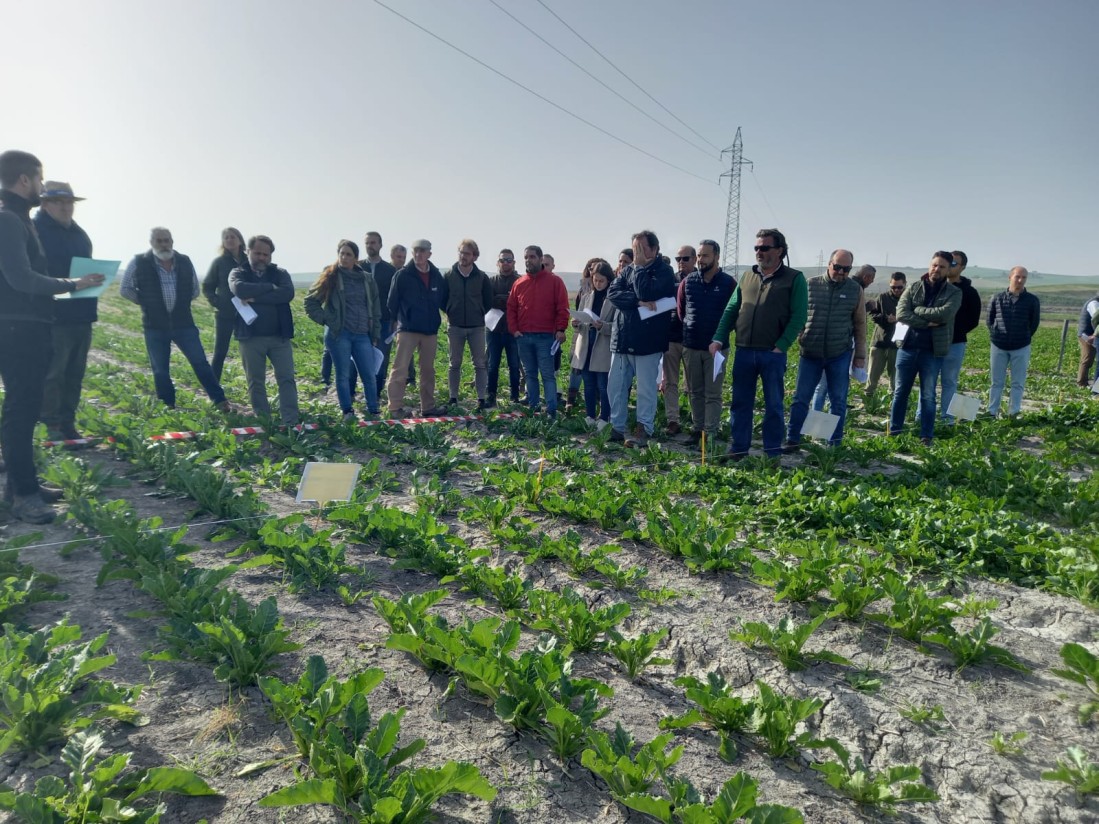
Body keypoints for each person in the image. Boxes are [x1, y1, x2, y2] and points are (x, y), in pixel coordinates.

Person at [0, 150, 103, 523]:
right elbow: (20, 278)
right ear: (25, 180)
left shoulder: (18, 219)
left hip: (27, 325)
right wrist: (73, 284)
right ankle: (24, 495)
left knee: (25, 409)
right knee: (21, 409)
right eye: (40, 180)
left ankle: (22, 485)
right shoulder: (9, 219)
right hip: (18, 327)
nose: (41, 187)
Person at [710, 228, 807, 460]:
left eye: (764, 248)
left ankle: (772, 452)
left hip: (771, 353)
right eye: (756, 248)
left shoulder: (794, 279)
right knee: (740, 402)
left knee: (773, 404)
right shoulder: (747, 276)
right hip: (744, 350)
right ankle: (739, 448)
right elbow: (732, 309)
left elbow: (799, 316)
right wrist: (718, 337)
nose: (759, 252)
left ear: (779, 250)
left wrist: (781, 346)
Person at [120, 227, 231, 412]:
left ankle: (220, 401)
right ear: (152, 243)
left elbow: (195, 290)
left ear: (172, 242)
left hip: (184, 323)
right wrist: (145, 302)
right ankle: (168, 405)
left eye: (166, 240)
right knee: (161, 370)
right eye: (159, 241)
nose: (163, 244)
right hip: (154, 326)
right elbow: (125, 289)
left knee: (200, 363)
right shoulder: (139, 262)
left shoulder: (184, 261)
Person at [785, 249, 867, 448]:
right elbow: (797, 313)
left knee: (838, 400)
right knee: (801, 398)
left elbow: (860, 324)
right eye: (837, 267)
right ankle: (793, 439)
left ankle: (834, 442)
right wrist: (800, 335)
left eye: (846, 269)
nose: (840, 272)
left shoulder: (855, 289)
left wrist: (860, 355)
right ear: (829, 264)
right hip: (810, 352)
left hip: (839, 352)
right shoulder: (811, 285)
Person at [34, 181, 96, 441]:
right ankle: (52, 425)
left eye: (69, 202)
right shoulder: (34, 230)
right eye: (58, 202)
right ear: (45, 203)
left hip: (81, 314)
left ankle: (68, 423)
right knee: (53, 374)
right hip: (52, 315)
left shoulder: (79, 233)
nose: (65, 207)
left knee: (74, 374)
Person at [607, 230, 677, 448]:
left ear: (654, 250)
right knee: (616, 386)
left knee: (646, 388)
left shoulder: (664, 272)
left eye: (641, 248)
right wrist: (637, 302)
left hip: (647, 342)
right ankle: (617, 426)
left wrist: (637, 269)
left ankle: (643, 428)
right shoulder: (626, 271)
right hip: (622, 338)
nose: (637, 252)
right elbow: (613, 293)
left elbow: (647, 292)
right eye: (634, 247)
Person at [888, 251, 961, 444]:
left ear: (948, 270)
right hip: (907, 348)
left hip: (932, 351)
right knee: (900, 392)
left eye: (942, 267)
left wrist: (917, 311)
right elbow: (902, 313)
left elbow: (944, 315)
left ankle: (926, 436)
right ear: (930, 265)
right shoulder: (913, 287)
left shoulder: (954, 292)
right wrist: (926, 322)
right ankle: (895, 431)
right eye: (934, 265)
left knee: (928, 395)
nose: (936, 269)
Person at [304, 240, 380, 422]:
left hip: (362, 334)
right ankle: (347, 411)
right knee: (343, 375)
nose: (344, 258)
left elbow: (375, 307)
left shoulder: (367, 279)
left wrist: (375, 332)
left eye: (349, 255)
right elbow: (310, 301)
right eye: (342, 254)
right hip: (340, 335)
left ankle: (374, 410)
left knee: (369, 374)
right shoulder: (331, 276)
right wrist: (328, 320)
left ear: (356, 258)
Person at [229, 235, 298, 425]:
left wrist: (257, 297)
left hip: (279, 337)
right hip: (251, 338)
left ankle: (290, 421)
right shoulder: (238, 273)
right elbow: (240, 289)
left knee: (286, 379)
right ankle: (264, 421)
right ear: (248, 251)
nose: (261, 258)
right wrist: (269, 287)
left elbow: (287, 294)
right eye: (257, 253)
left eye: (265, 254)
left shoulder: (281, 273)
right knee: (256, 381)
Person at [679, 239, 735, 447]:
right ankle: (697, 429)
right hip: (691, 346)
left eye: (705, 256)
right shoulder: (688, 281)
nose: (701, 260)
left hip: (716, 350)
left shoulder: (729, 283)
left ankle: (709, 433)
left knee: (713, 393)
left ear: (717, 257)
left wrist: (719, 338)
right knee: (694, 391)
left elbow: (734, 314)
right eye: (699, 256)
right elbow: (681, 310)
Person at [386, 239, 447, 417]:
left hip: (430, 331)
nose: (419, 254)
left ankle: (427, 408)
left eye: (422, 251)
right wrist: (397, 321)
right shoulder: (403, 275)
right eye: (416, 251)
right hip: (408, 329)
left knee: (428, 370)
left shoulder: (436, 276)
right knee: (400, 368)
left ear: (429, 254)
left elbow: (442, 300)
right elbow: (392, 302)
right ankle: (394, 408)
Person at [507, 245, 569, 417]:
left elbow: (563, 307)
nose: (529, 260)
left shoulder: (555, 282)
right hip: (524, 337)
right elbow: (511, 308)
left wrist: (561, 329)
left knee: (548, 375)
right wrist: (514, 330)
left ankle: (551, 411)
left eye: (532, 257)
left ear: (541, 259)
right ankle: (534, 408)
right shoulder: (519, 283)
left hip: (545, 337)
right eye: (526, 257)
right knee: (530, 374)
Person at [443, 238, 492, 409]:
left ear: (475, 257)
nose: (463, 256)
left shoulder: (482, 277)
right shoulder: (448, 276)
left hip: (476, 327)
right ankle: (453, 398)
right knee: (454, 363)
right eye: (461, 252)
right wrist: (451, 311)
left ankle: (481, 399)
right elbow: (442, 299)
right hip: (455, 326)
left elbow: (488, 301)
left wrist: (477, 313)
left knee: (479, 363)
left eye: (467, 253)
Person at [986, 266, 1040, 417]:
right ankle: (992, 411)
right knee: (996, 382)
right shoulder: (997, 298)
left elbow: (1034, 323)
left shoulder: (1032, 300)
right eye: (1017, 276)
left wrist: (1024, 336)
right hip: (998, 345)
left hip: (1021, 345)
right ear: (1010, 277)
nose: (1020, 280)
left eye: (1024, 277)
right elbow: (989, 320)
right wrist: (996, 334)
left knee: (1018, 382)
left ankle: (1013, 412)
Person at [936, 250, 981, 422]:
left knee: (949, 382)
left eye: (954, 263)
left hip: (955, 343)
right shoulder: (935, 286)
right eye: (949, 262)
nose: (950, 266)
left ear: (962, 268)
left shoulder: (969, 292)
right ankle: (922, 417)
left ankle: (947, 419)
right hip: (932, 342)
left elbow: (973, 320)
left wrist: (957, 331)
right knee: (928, 381)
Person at [571, 259, 616, 428]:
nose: (597, 284)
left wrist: (603, 326)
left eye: (601, 281)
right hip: (586, 345)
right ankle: (589, 416)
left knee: (603, 386)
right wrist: (576, 323)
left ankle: (604, 418)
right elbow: (582, 318)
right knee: (588, 384)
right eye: (595, 280)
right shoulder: (586, 296)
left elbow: (617, 326)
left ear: (609, 280)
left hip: (603, 347)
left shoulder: (613, 299)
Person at [202, 227, 246, 383]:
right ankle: (215, 390)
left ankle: (253, 389)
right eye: (226, 237)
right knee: (220, 352)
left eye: (232, 237)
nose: (229, 240)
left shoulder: (249, 261)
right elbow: (207, 286)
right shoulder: (219, 262)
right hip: (225, 314)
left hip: (247, 313)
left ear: (240, 240)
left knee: (249, 352)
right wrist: (218, 302)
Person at [661, 245, 694, 435]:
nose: (681, 263)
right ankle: (672, 420)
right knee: (670, 382)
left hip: (692, 339)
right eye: (678, 259)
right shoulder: (671, 282)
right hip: (671, 337)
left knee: (693, 384)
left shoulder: (699, 281)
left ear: (694, 259)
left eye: (685, 259)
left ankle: (695, 419)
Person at [363, 231, 396, 397]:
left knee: (380, 358)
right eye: (368, 243)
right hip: (360, 322)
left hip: (384, 321)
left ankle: (376, 393)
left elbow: (395, 297)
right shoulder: (357, 267)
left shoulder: (390, 270)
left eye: (373, 242)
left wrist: (394, 319)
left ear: (380, 245)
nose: (370, 246)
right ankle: (356, 392)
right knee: (357, 359)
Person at [487, 248, 521, 406]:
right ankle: (491, 396)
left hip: (513, 331)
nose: (505, 263)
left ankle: (514, 396)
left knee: (514, 365)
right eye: (503, 260)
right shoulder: (491, 281)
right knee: (492, 365)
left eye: (509, 260)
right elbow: (487, 302)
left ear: (514, 263)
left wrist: (502, 300)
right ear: (497, 263)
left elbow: (520, 304)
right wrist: (506, 300)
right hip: (493, 330)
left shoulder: (520, 281)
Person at [866, 272, 906, 400]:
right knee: (872, 376)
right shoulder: (882, 298)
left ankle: (891, 402)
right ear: (890, 285)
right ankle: (868, 400)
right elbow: (873, 314)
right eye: (893, 287)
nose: (896, 290)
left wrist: (898, 319)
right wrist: (885, 318)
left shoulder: (908, 300)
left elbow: (913, 318)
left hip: (898, 344)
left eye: (899, 287)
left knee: (894, 378)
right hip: (880, 342)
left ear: (905, 284)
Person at [565, 259, 597, 412]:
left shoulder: (607, 288)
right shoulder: (583, 288)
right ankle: (571, 399)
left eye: (596, 268)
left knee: (594, 367)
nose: (592, 270)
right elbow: (578, 309)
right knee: (576, 365)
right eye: (590, 268)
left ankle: (594, 400)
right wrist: (575, 320)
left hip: (598, 333)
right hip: (581, 332)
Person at [1076, 292, 1099, 387]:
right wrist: (1095, 334)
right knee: (1087, 358)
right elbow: (1096, 319)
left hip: (1093, 334)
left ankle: (1093, 387)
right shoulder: (1094, 303)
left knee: (1089, 359)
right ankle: (1081, 383)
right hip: (1087, 335)